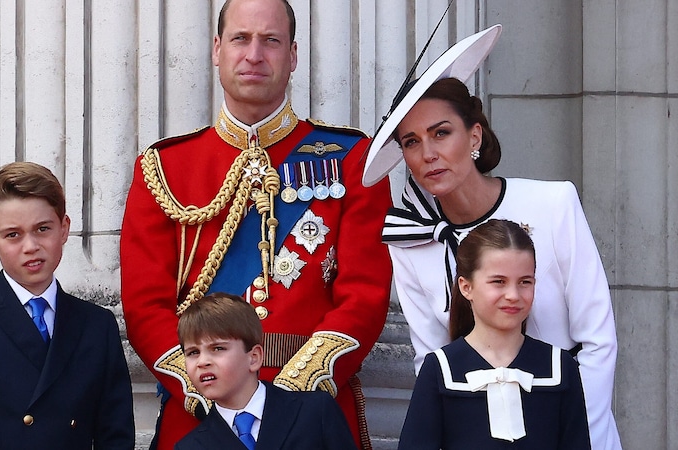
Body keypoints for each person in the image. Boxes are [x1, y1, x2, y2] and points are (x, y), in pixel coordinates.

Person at [120, 0, 392, 448]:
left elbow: (364, 294)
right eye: (240, 38)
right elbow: (145, 306)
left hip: (311, 415)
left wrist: (285, 401)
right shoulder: (165, 167)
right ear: (217, 49)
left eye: (271, 41)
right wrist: (212, 390)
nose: (253, 54)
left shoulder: (350, 160)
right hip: (203, 415)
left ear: (293, 55)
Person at [362, 25, 621, 450]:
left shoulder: (554, 203)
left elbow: (597, 341)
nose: (428, 153)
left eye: (441, 133)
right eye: (412, 142)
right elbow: (433, 360)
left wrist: (567, 436)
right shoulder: (410, 241)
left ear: (475, 135)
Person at [0, 162, 135, 450]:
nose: (31, 246)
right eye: (13, 234)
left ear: (64, 229)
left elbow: (116, 434)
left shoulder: (97, 324)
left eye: (42, 229)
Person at [397, 219, 591, 449]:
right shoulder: (441, 368)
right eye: (499, 281)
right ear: (466, 286)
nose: (513, 294)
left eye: (525, 282)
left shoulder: (560, 367)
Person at [174, 292, 358, 450]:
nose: (202, 362)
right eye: (193, 352)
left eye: (218, 348)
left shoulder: (315, 412)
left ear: (254, 357)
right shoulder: (190, 446)